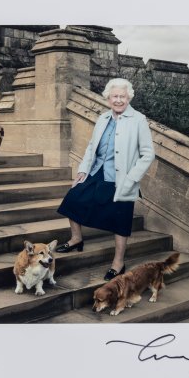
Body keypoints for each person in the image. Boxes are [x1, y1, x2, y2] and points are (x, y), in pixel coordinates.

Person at [56, 78, 155, 280]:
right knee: (72, 199)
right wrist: (83, 170)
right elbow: (92, 146)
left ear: (129, 98)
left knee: (121, 219)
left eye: (122, 96)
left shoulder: (138, 119)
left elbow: (148, 154)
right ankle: (76, 239)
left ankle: (118, 262)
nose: (118, 100)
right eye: (114, 96)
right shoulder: (102, 118)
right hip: (97, 171)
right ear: (108, 98)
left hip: (122, 178)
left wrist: (132, 179)